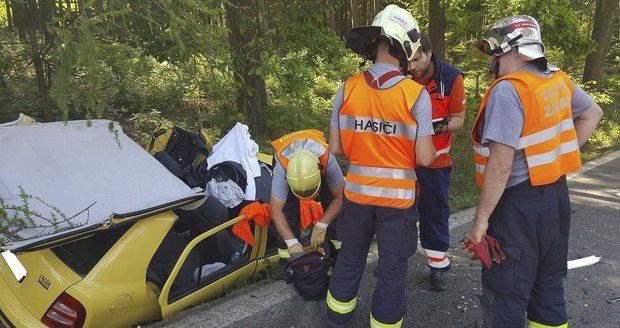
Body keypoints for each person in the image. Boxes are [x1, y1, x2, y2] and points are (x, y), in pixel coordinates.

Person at [468, 15, 603, 328]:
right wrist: (558, 153)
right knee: (547, 289)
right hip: (555, 199)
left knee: (506, 295)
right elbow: (592, 113)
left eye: (497, 54)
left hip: (517, 207)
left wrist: (480, 221)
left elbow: (500, 165)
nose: (494, 62)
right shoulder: (556, 79)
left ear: (515, 51)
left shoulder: (508, 91)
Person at [326, 4, 436, 327]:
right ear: (404, 49)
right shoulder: (416, 96)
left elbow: (335, 148)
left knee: (349, 260)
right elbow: (427, 158)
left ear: (374, 43)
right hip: (397, 205)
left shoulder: (347, 88)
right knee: (391, 271)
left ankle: (336, 320)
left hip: (357, 198)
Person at [408, 34, 466, 291]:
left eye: (417, 59)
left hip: (437, 162)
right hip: (404, 161)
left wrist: (441, 127)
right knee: (399, 213)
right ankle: (394, 261)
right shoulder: (401, 75)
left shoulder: (452, 77)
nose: (412, 67)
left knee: (434, 213)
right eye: (407, 61)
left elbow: (459, 118)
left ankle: (437, 265)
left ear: (429, 53)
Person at [270, 129, 344, 265]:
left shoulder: (328, 159)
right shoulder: (282, 166)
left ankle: (339, 256)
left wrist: (322, 224)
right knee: (288, 213)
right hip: (287, 159)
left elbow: (339, 198)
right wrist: (291, 242)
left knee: (333, 208)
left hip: (316, 162)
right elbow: (276, 210)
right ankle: (289, 264)